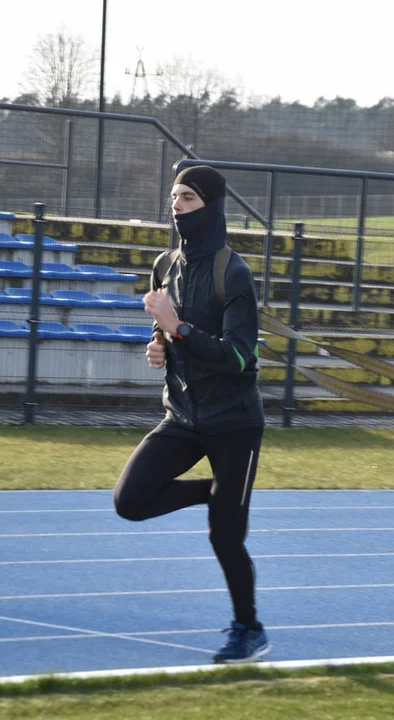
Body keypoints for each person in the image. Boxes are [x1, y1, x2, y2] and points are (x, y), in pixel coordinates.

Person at [113, 165, 270, 664]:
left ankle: (248, 629)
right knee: (130, 501)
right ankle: (219, 495)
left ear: (212, 206)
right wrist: (159, 347)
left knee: (226, 537)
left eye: (187, 198)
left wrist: (176, 329)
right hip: (182, 416)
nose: (177, 206)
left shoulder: (234, 272)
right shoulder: (164, 265)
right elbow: (170, 336)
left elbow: (240, 357)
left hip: (234, 423)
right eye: (174, 197)